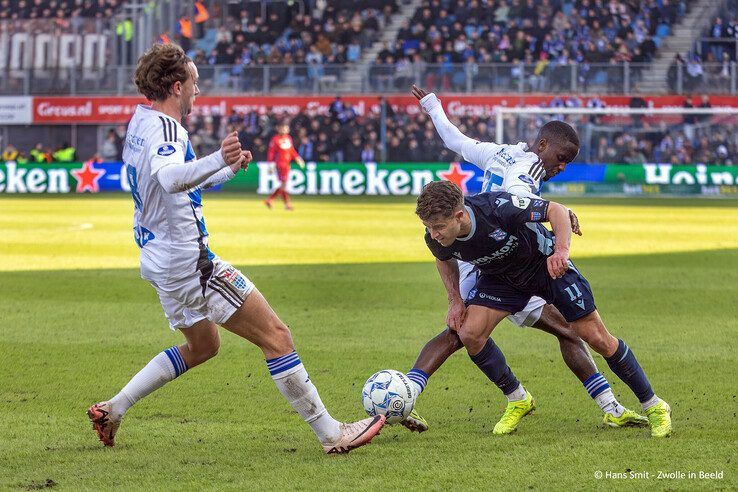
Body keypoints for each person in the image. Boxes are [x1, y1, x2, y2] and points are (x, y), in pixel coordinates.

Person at [86, 43, 384, 455]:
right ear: (176, 87)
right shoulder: (168, 130)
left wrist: (224, 168)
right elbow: (172, 178)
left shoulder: (141, 122)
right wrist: (215, 156)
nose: (198, 90)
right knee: (277, 336)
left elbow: (175, 184)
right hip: (190, 262)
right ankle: (332, 434)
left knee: (203, 347)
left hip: (159, 259)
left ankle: (114, 408)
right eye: (194, 82)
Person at [400, 85, 649, 435]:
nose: (561, 167)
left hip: (481, 249)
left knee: (550, 328)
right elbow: (516, 199)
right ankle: (407, 395)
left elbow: (454, 139)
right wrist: (555, 213)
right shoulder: (529, 167)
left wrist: (431, 105)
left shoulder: (499, 153)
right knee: (466, 331)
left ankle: (603, 406)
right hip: (496, 258)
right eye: (561, 158)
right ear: (543, 145)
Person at [415, 180, 672, 438]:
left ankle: (654, 406)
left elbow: (556, 210)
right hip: (502, 280)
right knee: (470, 333)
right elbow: (443, 260)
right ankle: (518, 399)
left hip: (545, 266)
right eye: (429, 227)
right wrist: (455, 301)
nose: (433, 234)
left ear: (459, 216)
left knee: (597, 338)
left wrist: (561, 251)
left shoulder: (497, 208)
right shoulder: (436, 237)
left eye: (438, 227)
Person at [264, 123, 305, 211]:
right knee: (284, 184)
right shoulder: (275, 139)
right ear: (279, 129)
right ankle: (282, 203)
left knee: (284, 185)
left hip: (287, 164)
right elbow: (271, 152)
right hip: (280, 164)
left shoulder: (288, 138)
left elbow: (291, 150)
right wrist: (270, 164)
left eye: (286, 128)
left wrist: (298, 158)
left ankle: (271, 200)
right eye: (282, 128)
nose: (284, 130)